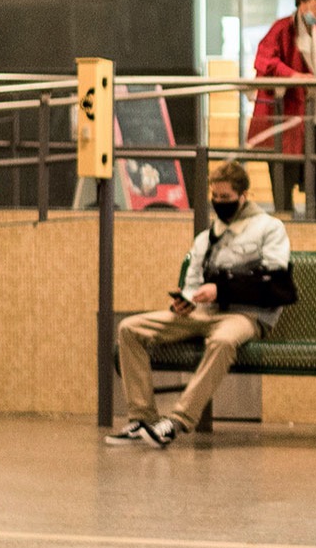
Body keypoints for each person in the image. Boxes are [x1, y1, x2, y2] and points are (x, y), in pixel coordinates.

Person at [105, 161, 291, 447]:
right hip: (204, 313)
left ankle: (178, 421)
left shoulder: (269, 229)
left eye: (225, 198)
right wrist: (186, 301)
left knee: (223, 341)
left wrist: (221, 289)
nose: (218, 203)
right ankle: (142, 418)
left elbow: (275, 280)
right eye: (214, 197)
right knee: (130, 329)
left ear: (243, 196)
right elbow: (193, 284)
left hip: (246, 316)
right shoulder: (206, 238)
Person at [251, 0, 316, 221]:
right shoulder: (283, 29)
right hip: (288, 113)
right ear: (303, 2)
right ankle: (285, 214)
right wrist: (295, 76)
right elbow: (265, 61)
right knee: (285, 166)